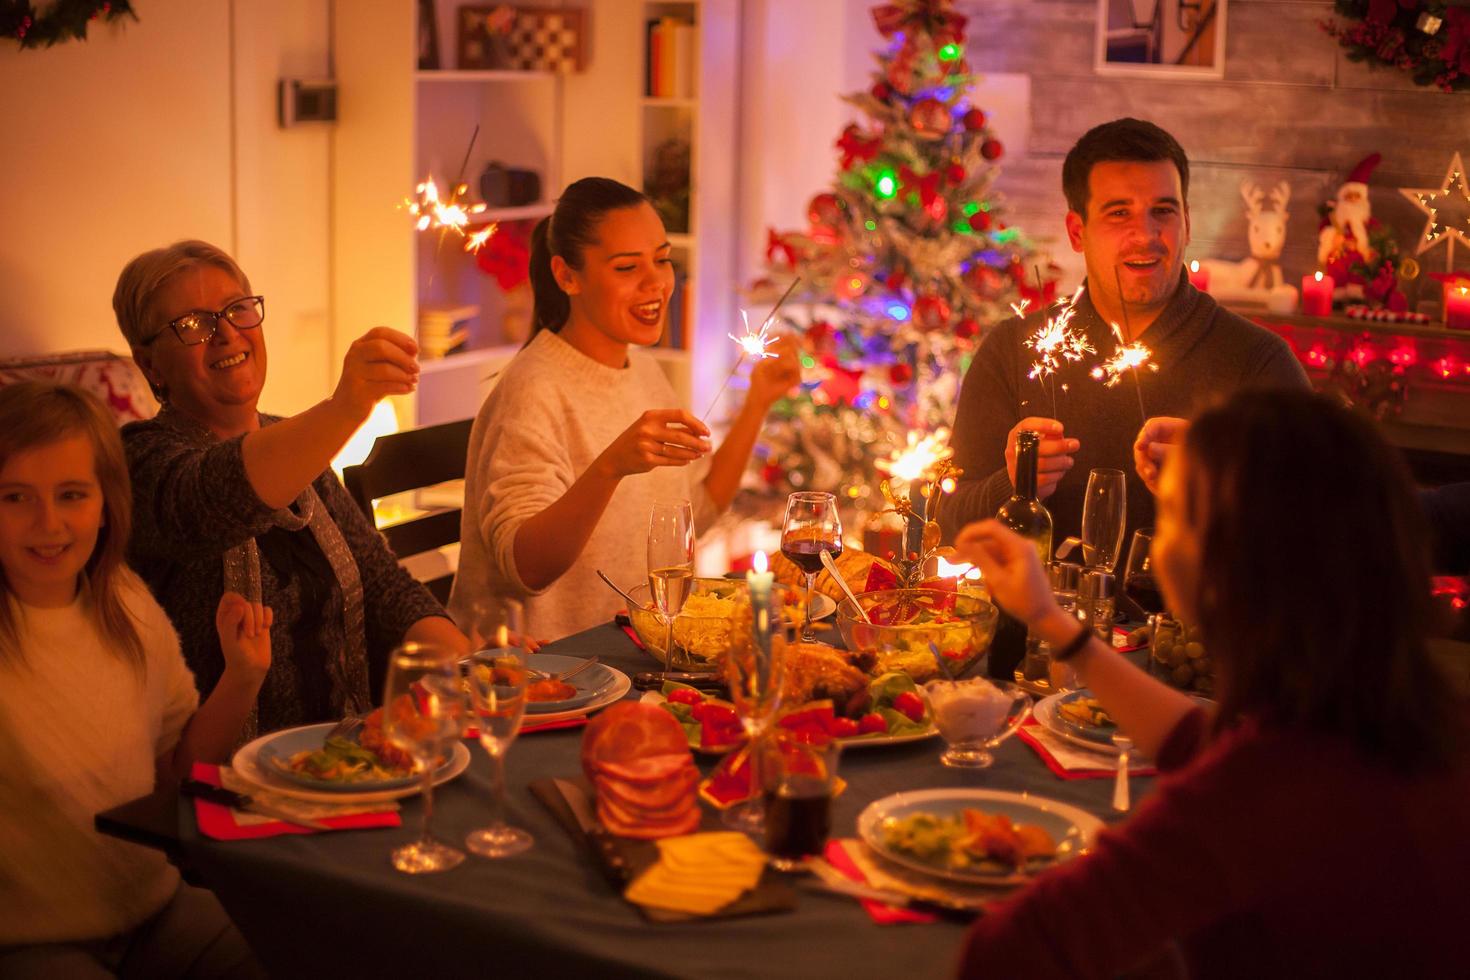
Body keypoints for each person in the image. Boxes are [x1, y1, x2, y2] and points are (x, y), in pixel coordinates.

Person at [952, 387, 1468, 979]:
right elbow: (1200, 743)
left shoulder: (1262, 794)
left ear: (1227, 570)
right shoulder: (1410, 729)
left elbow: (1011, 951)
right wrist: (1055, 625)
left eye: (1172, 515)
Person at [114, 240, 467, 738]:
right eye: (194, 324)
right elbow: (216, 496)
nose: (228, 334)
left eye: (238, 309)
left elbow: (385, 589)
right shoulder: (141, 462)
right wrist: (345, 407)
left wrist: (476, 668)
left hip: (353, 755)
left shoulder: (296, 446)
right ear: (149, 364)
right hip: (226, 783)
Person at [449, 177, 801, 640]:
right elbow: (527, 569)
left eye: (661, 260)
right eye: (626, 268)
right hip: (544, 678)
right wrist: (611, 466)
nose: (656, 283)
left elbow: (697, 511)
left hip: (634, 656)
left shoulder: (643, 371)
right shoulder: (533, 391)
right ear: (566, 276)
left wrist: (757, 403)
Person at [0, 382, 266, 978]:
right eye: (16, 497)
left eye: (71, 495)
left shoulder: (124, 599)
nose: (48, 524)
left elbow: (177, 772)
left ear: (106, 502)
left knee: (292, 951)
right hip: (27, 942)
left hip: (157, 908)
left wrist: (243, 676)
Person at [941, 117, 1308, 549]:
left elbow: (1322, 535)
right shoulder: (1014, 351)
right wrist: (1011, 489)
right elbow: (948, 525)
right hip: (1037, 616)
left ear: (1186, 222)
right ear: (1078, 232)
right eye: (1119, 214)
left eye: (1163, 212)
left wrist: (1218, 485)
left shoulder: (1257, 363)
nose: (1145, 235)